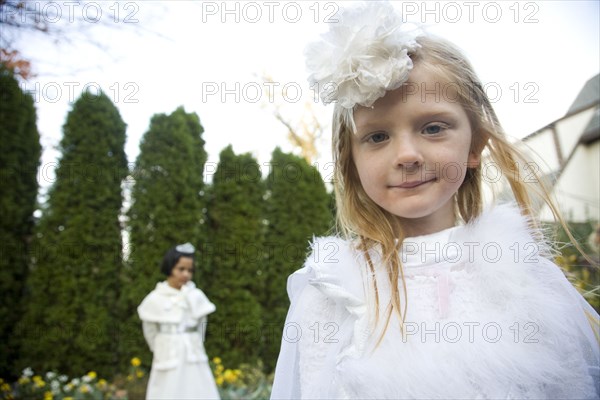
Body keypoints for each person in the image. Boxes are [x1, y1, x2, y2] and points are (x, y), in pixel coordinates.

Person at [271, 2, 600, 399]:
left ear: (474, 145)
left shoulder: (526, 276)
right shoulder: (331, 292)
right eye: (377, 137)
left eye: (432, 127)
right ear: (351, 161)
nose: (407, 154)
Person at [138, 242, 220, 400]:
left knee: (196, 387)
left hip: (192, 351)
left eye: (190, 270)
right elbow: (150, 330)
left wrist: (196, 343)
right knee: (167, 389)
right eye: (181, 269)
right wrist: (160, 347)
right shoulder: (155, 298)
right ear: (170, 268)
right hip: (167, 351)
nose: (186, 274)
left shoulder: (196, 295)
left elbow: (202, 324)